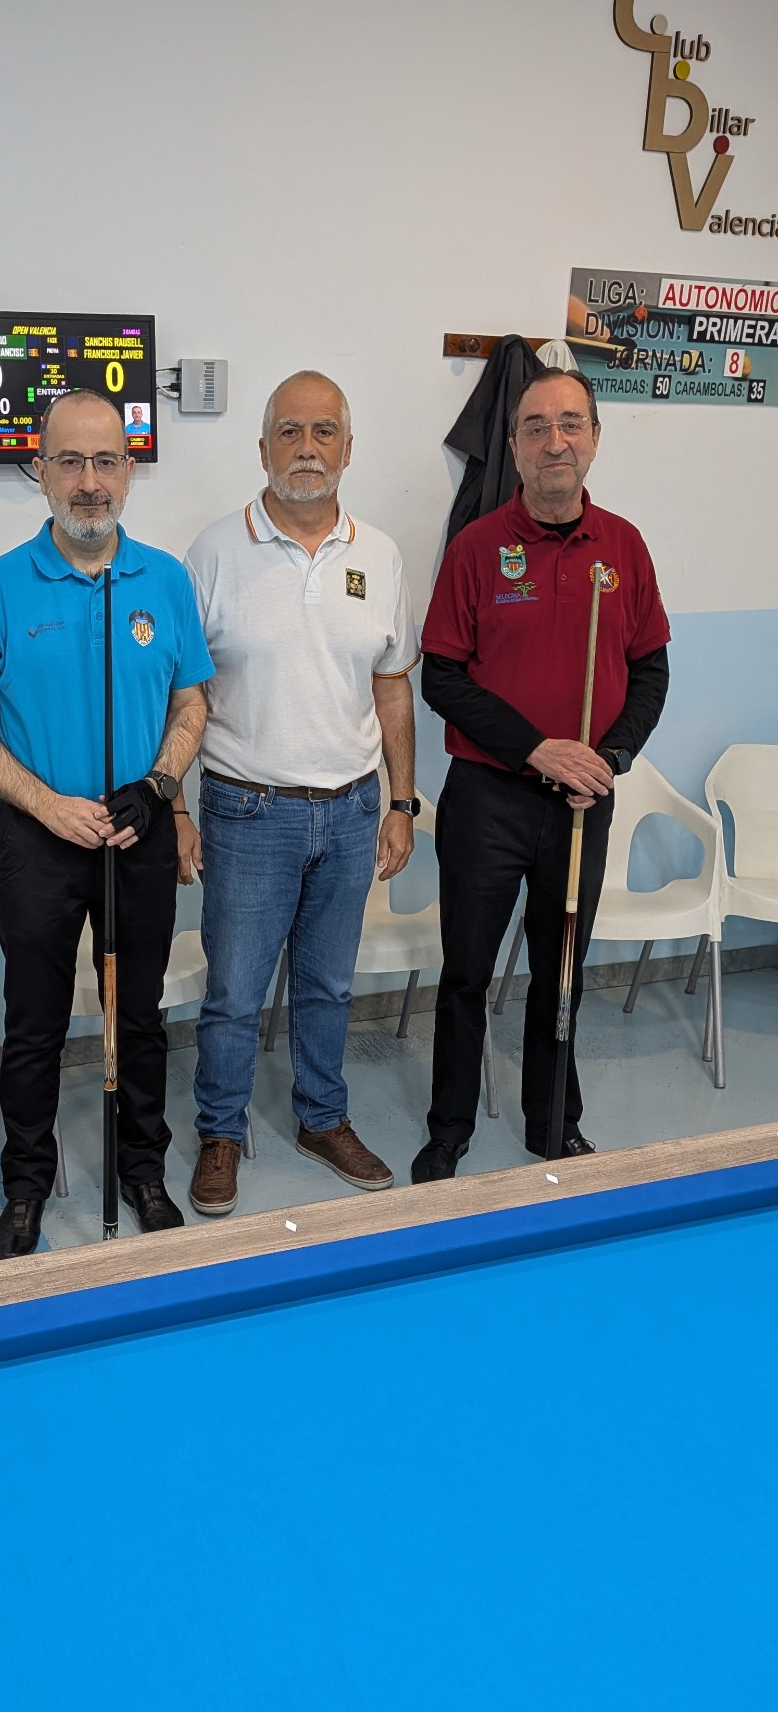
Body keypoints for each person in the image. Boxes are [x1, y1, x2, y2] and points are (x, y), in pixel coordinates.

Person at [0, 389, 212, 1256]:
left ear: (128, 471)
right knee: (35, 1024)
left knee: (138, 1017)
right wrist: (47, 805)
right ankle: (26, 1184)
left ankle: (142, 1170)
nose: (88, 481)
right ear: (39, 470)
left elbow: (192, 703)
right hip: (37, 838)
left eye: (104, 462)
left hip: (137, 832)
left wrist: (159, 784)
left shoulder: (164, 580)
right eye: (69, 462)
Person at [412, 368, 671, 1183]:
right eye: (534, 427)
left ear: (593, 438)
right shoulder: (476, 547)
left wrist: (609, 758)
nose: (553, 441)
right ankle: (449, 1126)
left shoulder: (622, 547)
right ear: (514, 446)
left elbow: (650, 671)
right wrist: (534, 748)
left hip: (581, 802)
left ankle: (552, 1120)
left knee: (559, 968)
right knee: (465, 972)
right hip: (486, 797)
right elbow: (442, 677)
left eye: (568, 424)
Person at [182, 370, 420, 1216]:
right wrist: (173, 804)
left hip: (353, 811)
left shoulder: (380, 555)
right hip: (247, 811)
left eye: (323, 432)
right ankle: (220, 1131)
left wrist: (402, 801)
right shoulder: (214, 552)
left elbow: (391, 683)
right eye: (290, 431)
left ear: (348, 450)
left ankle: (322, 1118)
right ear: (262, 448)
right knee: (234, 993)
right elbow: (183, 693)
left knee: (328, 987)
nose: (307, 448)